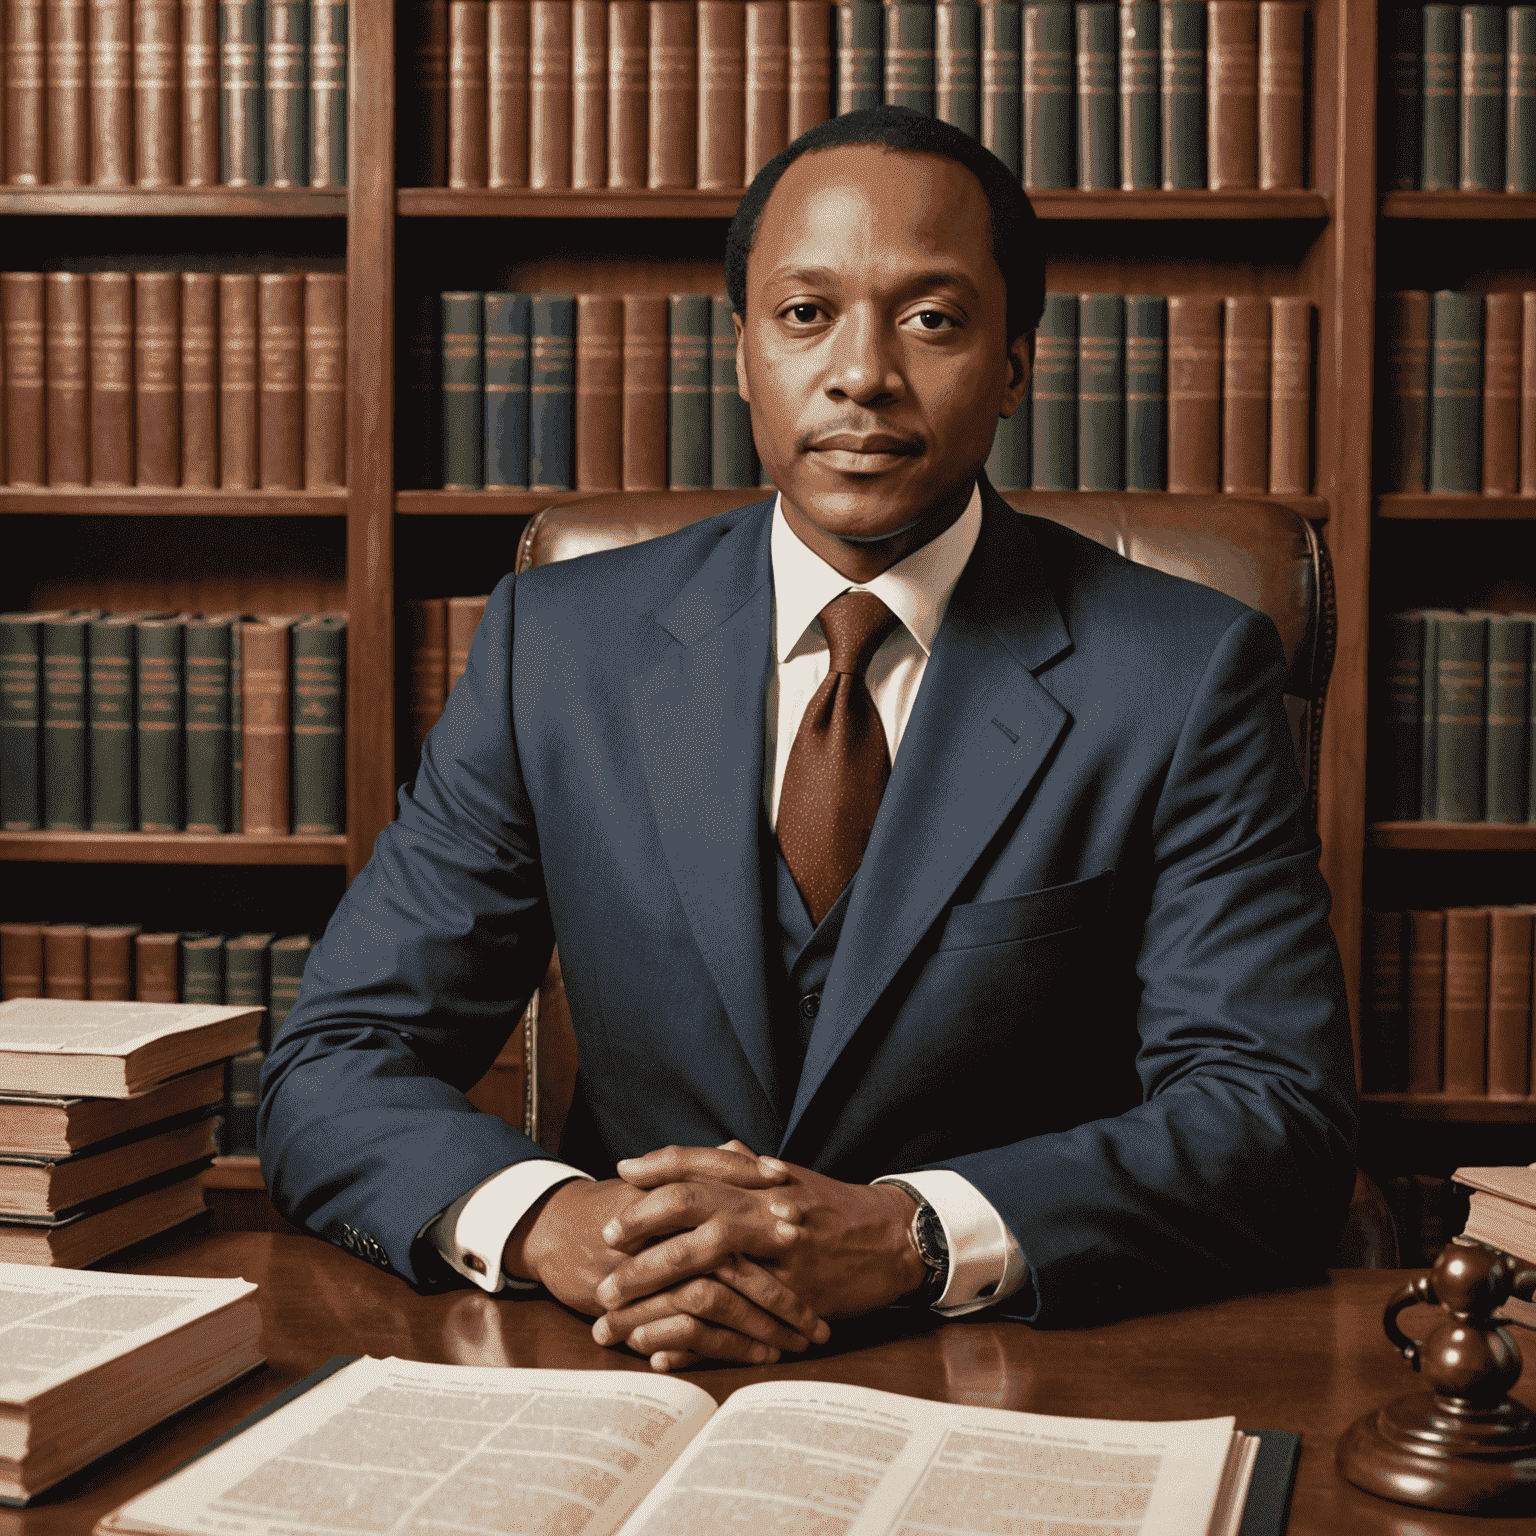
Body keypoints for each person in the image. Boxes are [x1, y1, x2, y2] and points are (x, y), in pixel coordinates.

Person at [259, 106, 1358, 1373]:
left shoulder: (1184, 671)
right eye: (804, 314)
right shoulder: (556, 645)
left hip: (998, 1372)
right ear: (741, 354)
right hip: (626, 1357)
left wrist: (910, 1238)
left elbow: (1273, 1118)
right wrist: (565, 1225)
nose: (862, 374)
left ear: (1014, 365)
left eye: (933, 319)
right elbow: (340, 1060)